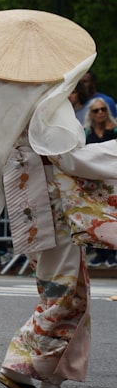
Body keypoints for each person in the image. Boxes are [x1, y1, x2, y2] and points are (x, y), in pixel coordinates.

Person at [0, 8, 101, 388]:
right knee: (64, 292)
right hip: (52, 209)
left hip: (31, 208)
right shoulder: (46, 110)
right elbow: (71, 160)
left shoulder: (8, 110)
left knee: (66, 289)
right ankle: (23, 365)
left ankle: (54, 387)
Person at [82, 98, 117, 267]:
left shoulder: (115, 129)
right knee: (97, 217)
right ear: (91, 114)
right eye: (96, 110)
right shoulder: (86, 133)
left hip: (112, 180)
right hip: (94, 181)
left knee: (111, 217)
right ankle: (100, 253)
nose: (100, 112)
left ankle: (112, 253)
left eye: (103, 109)